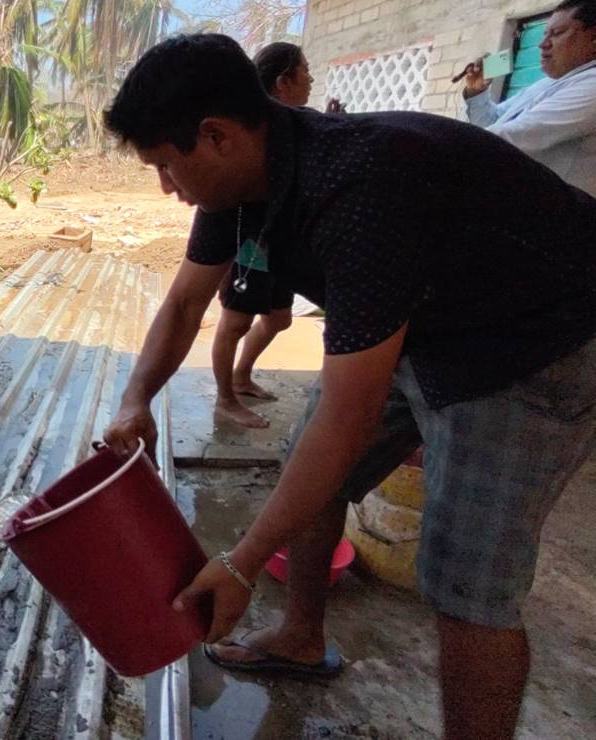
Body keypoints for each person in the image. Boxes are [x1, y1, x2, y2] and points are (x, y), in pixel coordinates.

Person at [101, 32, 596, 740]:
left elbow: (348, 414)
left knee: (467, 579)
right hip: (427, 320)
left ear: (216, 137)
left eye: (164, 167)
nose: (165, 188)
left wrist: (240, 566)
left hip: (535, 341)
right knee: (310, 476)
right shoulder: (235, 185)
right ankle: (300, 637)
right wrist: (134, 400)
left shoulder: (361, 187)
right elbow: (184, 304)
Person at [211, 42, 318, 428]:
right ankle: (225, 398)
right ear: (283, 82)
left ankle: (241, 377)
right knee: (235, 323)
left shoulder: (301, 125)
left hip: (281, 242)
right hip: (252, 242)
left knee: (279, 319)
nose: (310, 79)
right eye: (304, 71)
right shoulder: (255, 129)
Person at [463, 0, 596, 195]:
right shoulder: (547, 83)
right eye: (544, 34)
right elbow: (493, 122)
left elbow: (516, 135)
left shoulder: (592, 85)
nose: (543, 44)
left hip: (551, 210)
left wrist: (441, 142)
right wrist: (477, 92)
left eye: (557, 33)